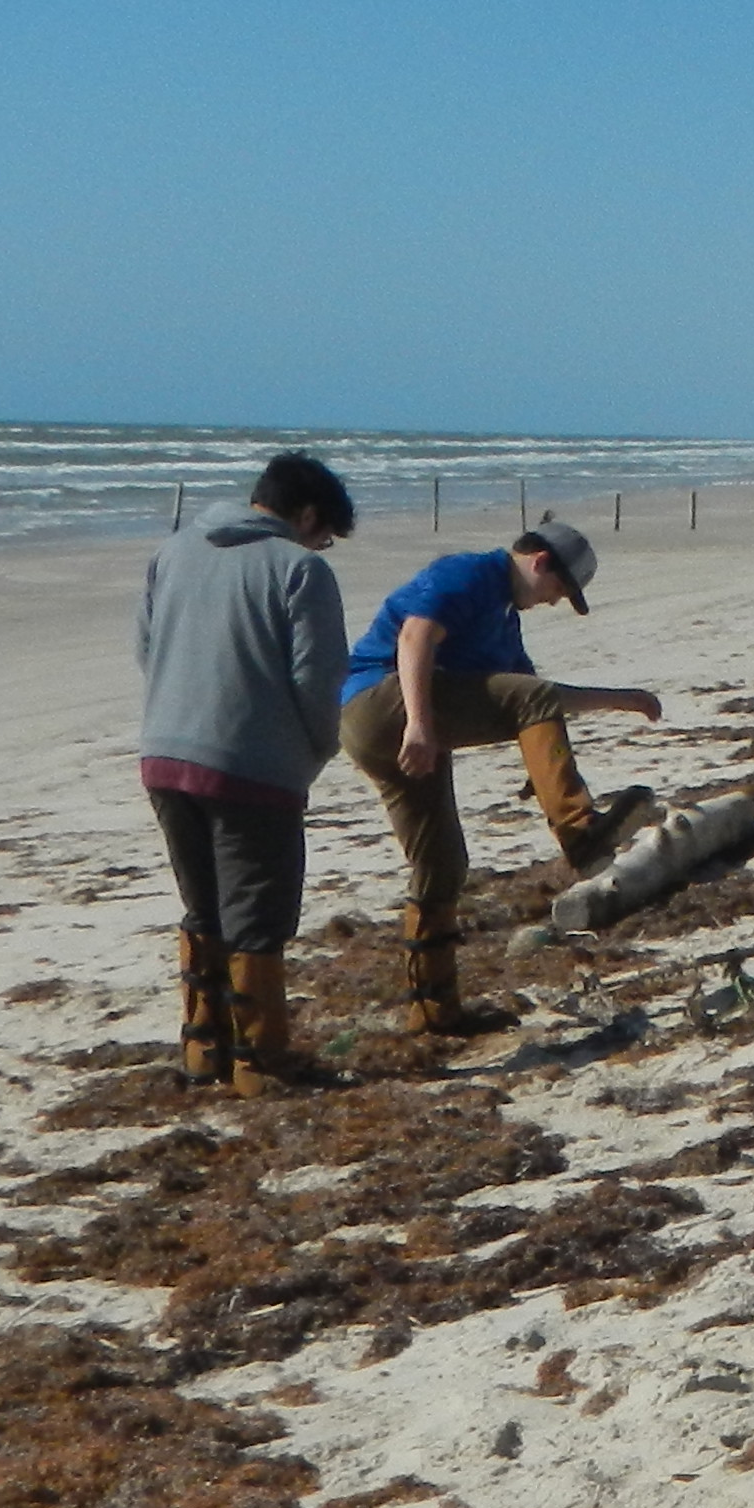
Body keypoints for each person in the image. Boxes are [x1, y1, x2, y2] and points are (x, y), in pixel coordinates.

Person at [335, 517, 667, 1034]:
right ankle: (580, 831)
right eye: (561, 588)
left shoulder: (504, 621)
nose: (557, 601)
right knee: (525, 700)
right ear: (540, 562)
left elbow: (534, 697)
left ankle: (433, 1011)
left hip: (402, 722)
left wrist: (619, 699)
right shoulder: (469, 573)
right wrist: (420, 725)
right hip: (381, 703)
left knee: (442, 862)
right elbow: (415, 637)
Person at [134, 452, 358, 1090]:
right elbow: (317, 679)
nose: (325, 547)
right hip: (252, 765)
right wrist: (318, 749)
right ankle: (259, 1065)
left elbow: (146, 651)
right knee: (257, 915)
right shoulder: (299, 569)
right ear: (308, 516)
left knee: (203, 907)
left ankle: (204, 1052)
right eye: (328, 536)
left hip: (165, 753)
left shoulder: (172, 552)